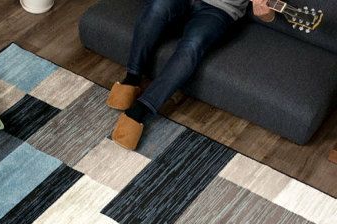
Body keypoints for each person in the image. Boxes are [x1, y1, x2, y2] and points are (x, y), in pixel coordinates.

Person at [108, 0, 275, 150]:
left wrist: (265, 12)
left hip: (219, 9)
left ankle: (141, 109)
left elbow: (269, 15)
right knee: (156, 7)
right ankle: (132, 79)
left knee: (192, 45)